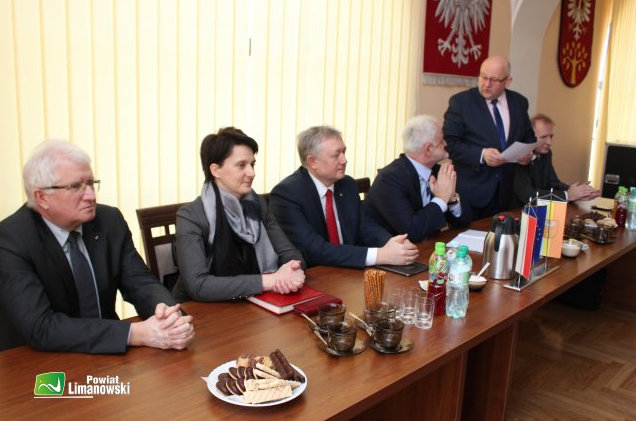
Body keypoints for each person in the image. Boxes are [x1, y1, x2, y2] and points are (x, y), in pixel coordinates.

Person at [0, 140, 194, 353]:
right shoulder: (11, 239)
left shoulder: (109, 220)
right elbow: (42, 327)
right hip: (39, 362)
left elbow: (141, 282)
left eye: (91, 183)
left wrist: (168, 314)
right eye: (75, 187)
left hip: (110, 354)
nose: (91, 196)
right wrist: (134, 333)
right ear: (42, 197)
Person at [172, 127, 305, 303]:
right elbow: (199, 286)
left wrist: (292, 270)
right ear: (215, 170)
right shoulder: (191, 216)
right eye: (241, 165)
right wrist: (269, 281)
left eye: (252, 164)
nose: (252, 173)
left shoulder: (257, 204)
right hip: (200, 310)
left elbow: (290, 253)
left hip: (253, 301)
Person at [270, 125, 419, 268]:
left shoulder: (347, 184)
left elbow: (365, 227)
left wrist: (393, 244)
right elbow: (313, 249)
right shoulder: (287, 194)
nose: (344, 160)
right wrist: (379, 255)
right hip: (316, 274)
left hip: (350, 270)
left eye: (344, 152)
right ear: (312, 162)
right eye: (336, 155)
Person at [443, 55, 535, 221]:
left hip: (508, 193)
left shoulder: (519, 102)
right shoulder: (461, 103)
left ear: (508, 81)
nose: (486, 84)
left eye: (494, 80)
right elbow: (449, 143)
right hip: (473, 193)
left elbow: (529, 137)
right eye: (483, 77)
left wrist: (527, 155)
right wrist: (482, 154)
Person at [365, 115, 471, 242]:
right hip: (393, 250)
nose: (446, 143)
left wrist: (451, 198)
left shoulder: (439, 172)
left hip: (429, 246)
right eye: (442, 140)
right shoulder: (389, 179)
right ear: (428, 149)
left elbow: (463, 223)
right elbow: (412, 231)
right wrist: (442, 199)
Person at [512, 113, 600, 206]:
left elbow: (553, 184)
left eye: (551, 136)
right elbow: (528, 195)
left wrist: (579, 192)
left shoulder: (546, 154)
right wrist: (567, 195)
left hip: (537, 209)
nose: (549, 142)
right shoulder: (519, 156)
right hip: (515, 210)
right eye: (543, 137)